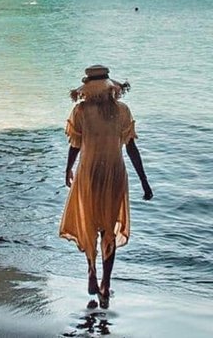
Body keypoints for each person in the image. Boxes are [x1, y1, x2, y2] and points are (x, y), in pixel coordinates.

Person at [60, 65, 152, 309]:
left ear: (87, 90)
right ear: (111, 88)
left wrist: (68, 168)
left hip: (89, 173)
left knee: (89, 223)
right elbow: (131, 148)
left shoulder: (80, 111)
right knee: (108, 228)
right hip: (113, 174)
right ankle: (105, 283)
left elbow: (75, 145)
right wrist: (144, 180)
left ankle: (91, 271)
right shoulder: (121, 111)